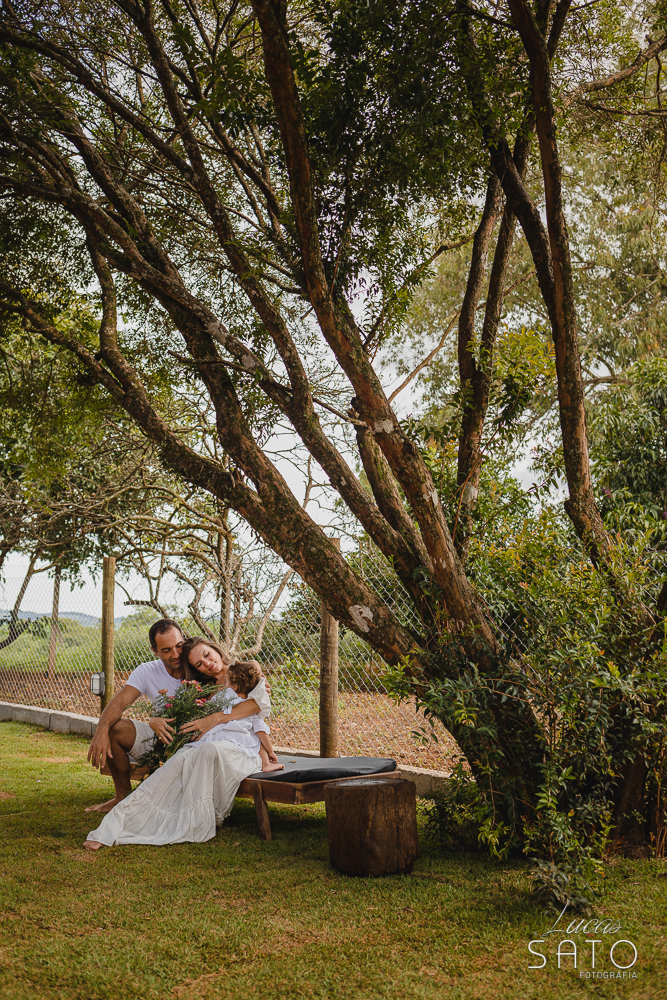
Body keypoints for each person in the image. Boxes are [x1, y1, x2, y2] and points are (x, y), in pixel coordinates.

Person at [82, 646, 277, 849]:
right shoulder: (201, 688)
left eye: (206, 655)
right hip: (206, 741)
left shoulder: (246, 669)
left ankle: (197, 818)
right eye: (199, 664)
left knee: (209, 751)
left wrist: (214, 719)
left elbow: (258, 705)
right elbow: (187, 721)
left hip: (239, 746)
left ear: (215, 649)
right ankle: (118, 823)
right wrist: (156, 721)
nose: (207, 663)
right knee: (178, 762)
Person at [84, 622, 266, 813]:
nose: (176, 654)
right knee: (116, 729)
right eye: (166, 650)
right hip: (160, 738)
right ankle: (121, 797)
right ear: (155, 651)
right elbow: (119, 702)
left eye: (179, 646)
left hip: (192, 740)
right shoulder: (147, 671)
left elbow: (251, 697)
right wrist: (102, 730)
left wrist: (255, 679)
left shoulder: (202, 669)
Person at [199, 659, 283, 773]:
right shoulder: (250, 706)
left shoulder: (223, 696)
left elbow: (209, 707)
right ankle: (266, 764)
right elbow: (262, 732)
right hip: (241, 739)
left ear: (234, 686)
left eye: (226, 682)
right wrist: (271, 752)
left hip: (218, 737)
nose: (224, 686)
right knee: (258, 737)